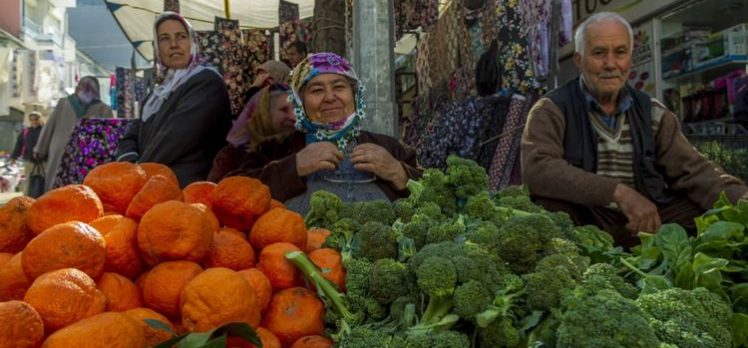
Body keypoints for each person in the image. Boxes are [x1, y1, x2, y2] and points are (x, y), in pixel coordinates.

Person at [521, 12, 748, 247]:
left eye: (620, 52)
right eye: (599, 53)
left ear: (630, 58)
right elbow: (538, 169)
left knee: (704, 213)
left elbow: (695, 171)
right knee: (549, 208)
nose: (610, 64)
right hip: (586, 222)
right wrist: (618, 192)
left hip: (644, 222)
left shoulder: (652, 112)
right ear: (579, 60)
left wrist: (741, 199)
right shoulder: (551, 109)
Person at [223, 52, 422, 214]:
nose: (329, 97)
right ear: (300, 102)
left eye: (339, 87)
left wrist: (400, 173)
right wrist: (294, 167)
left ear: (354, 94)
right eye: (317, 90)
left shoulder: (389, 147)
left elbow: (438, 196)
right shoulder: (274, 149)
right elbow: (229, 195)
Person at [116, 11, 232, 188]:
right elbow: (131, 134)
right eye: (164, 38)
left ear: (192, 42)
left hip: (189, 195)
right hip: (154, 188)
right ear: (157, 49)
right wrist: (129, 163)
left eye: (181, 36)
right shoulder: (157, 93)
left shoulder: (206, 82)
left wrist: (135, 177)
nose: (174, 45)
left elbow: (172, 140)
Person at [34, 76, 113, 193]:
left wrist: (40, 149)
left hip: (60, 151)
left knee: (56, 189)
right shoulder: (104, 109)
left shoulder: (63, 103)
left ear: (77, 88)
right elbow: (109, 138)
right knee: (82, 192)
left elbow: (49, 127)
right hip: (87, 155)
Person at [208, 83, 296, 181]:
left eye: (296, 109)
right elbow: (215, 192)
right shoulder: (231, 156)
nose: (293, 117)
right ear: (263, 113)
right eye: (284, 110)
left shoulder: (298, 144)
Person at [11, 112, 44, 195]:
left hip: (43, 160)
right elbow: (19, 144)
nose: (34, 121)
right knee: (29, 180)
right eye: (32, 120)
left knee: (43, 180)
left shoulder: (44, 130)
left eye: (36, 119)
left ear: (40, 119)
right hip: (29, 160)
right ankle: (26, 199)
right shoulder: (26, 131)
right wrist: (14, 157)